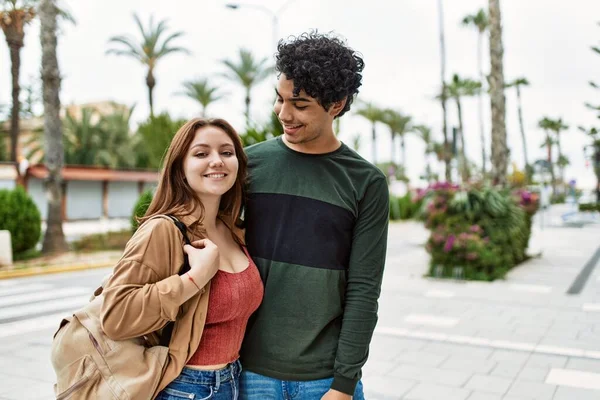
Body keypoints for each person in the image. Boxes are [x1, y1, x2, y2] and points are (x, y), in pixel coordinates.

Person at [240, 32, 389, 400]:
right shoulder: (246, 165)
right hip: (248, 373)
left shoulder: (365, 183)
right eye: (279, 98)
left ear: (336, 104)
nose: (283, 113)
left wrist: (343, 385)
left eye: (300, 104)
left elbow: (363, 290)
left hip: (325, 381)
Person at [100, 118, 264, 400]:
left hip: (234, 381)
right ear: (180, 168)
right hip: (185, 388)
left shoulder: (233, 229)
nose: (217, 161)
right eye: (201, 154)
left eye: (226, 152)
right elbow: (115, 316)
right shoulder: (162, 230)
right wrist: (193, 279)